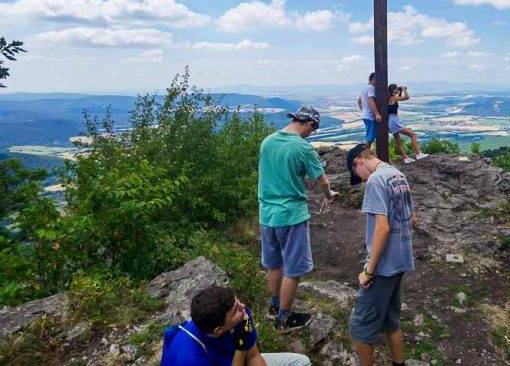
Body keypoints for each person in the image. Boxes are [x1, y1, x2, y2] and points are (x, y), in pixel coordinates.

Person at [258, 106, 338, 333]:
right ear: (310, 124)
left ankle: (274, 307)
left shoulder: (268, 141)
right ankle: (284, 319)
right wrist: (329, 195)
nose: (312, 134)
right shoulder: (303, 148)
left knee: (274, 264)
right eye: (314, 129)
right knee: (293, 269)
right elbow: (321, 180)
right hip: (291, 215)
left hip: (266, 214)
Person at [345, 144, 415, 366]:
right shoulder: (397, 174)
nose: (363, 180)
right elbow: (411, 217)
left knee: (359, 326)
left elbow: (382, 228)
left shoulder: (376, 180)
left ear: (358, 161)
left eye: (358, 175)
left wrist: (369, 270)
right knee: (390, 320)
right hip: (401, 259)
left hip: (384, 266)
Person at [160, 284, 311, 366]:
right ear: (218, 329)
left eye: (238, 302)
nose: (243, 307)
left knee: (302, 362)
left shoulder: (240, 316)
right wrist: (240, 348)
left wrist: (244, 344)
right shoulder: (189, 358)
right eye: (236, 310)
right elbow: (243, 350)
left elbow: (253, 357)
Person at [387, 83, 428, 164]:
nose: (397, 90)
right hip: (393, 121)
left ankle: (405, 158)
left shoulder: (390, 98)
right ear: (394, 90)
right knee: (412, 134)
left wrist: (401, 90)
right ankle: (418, 154)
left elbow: (399, 97)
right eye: (396, 89)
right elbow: (407, 97)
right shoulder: (393, 98)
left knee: (398, 141)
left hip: (391, 121)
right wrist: (404, 89)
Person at [357, 72, 381, 146]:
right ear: (374, 79)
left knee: (369, 136)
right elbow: (371, 101)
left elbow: (359, 102)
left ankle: (365, 155)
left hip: (365, 115)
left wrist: (364, 110)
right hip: (370, 117)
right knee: (370, 138)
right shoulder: (371, 88)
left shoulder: (364, 88)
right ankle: (364, 155)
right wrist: (377, 114)